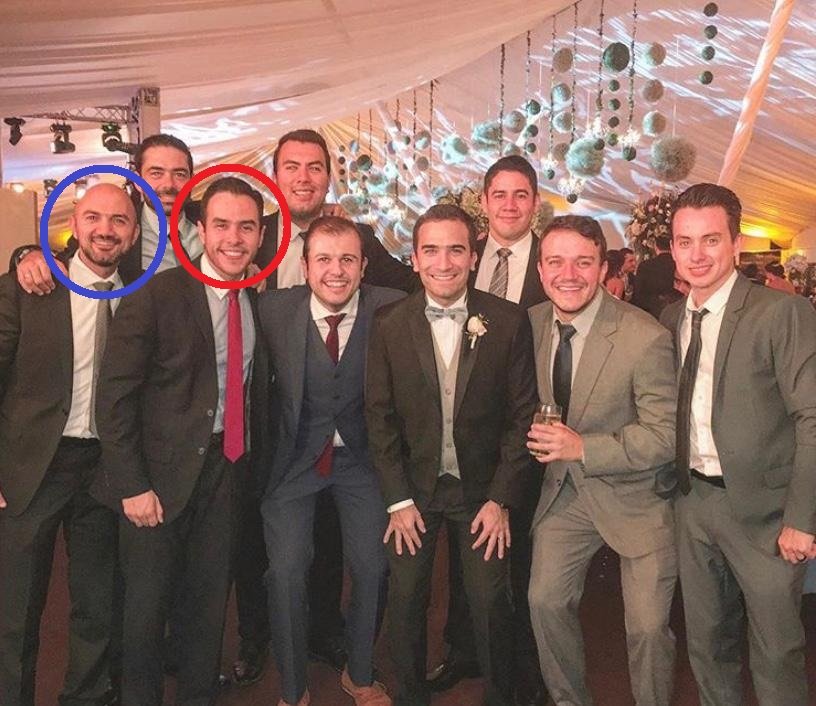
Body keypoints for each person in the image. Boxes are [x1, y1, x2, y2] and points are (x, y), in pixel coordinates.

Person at [93, 177, 264, 705]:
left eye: (246, 227)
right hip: (156, 480)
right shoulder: (156, 293)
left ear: (260, 236)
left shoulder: (255, 297)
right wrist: (132, 484)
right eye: (221, 225)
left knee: (209, 606)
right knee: (146, 613)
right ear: (201, 231)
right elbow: (114, 397)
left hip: (225, 471)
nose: (233, 238)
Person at [366, 204, 538, 706]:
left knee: (490, 601)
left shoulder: (507, 321)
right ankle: (411, 697)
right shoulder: (389, 323)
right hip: (413, 491)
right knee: (405, 599)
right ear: (415, 258)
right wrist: (397, 499)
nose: (444, 263)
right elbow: (379, 417)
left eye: (456, 250)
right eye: (432, 251)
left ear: (473, 255)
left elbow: (521, 417)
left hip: (481, 490)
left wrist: (500, 499)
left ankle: (501, 696)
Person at [661, 183, 816, 706]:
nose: (697, 254)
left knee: (776, 652)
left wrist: (803, 518)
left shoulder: (781, 313)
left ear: (736, 242)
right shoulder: (672, 318)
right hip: (692, 502)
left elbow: (812, 417)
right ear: (672, 248)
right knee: (707, 646)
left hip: (767, 515)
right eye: (685, 242)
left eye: (710, 239)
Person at [526, 215, 678, 706]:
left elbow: (664, 436)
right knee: (544, 601)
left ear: (603, 268)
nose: (568, 274)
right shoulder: (530, 324)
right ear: (540, 268)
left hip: (638, 497)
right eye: (555, 262)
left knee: (648, 628)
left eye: (583, 262)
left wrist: (584, 448)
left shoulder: (644, 336)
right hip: (566, 492)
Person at [0, 184, 140, 706]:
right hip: (32, 465)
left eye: (119, 221)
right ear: (75, 225)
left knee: (97, 606)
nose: (106, 230)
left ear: (133, 233)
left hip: (105, 469)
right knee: (16, 609)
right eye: (94, 218)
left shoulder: (141, 298)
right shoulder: (27, 288)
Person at [255, 216, 401, 706]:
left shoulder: (391, 307)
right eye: (323, 259)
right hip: (294, 460)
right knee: (285, 571)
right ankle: (292, 688)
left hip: (361, 461)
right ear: (304, 266)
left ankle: (359, 673)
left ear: (363, 266)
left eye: (346, 260)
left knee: (373, 566)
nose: (335, 271)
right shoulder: (272, 308)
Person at [430, 155, 548, 706]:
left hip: (530, 433)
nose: (509, 204)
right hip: (467, 440)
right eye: (499, 194)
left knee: (521, 559)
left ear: (535, 203)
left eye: (521, 194)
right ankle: (463, 650)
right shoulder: (461, 255)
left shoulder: (552, 263)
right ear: (483, 201)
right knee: (464, 555)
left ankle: (522, 667)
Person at [12, 134, 200, 289]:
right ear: (138, 181)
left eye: (179, 174)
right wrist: (29, 255)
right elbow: (69, 256)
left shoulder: (209, 217)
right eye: (156, 173)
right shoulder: (120, 226)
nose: (168, 184)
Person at [631, 235, 676, 318]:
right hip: (677, 311)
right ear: (671, 246)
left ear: (656, 247)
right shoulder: (678, 264)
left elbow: (638, 294)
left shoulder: (645, 266)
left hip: (650, 313)